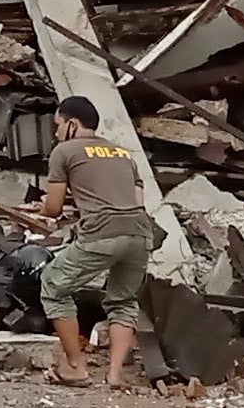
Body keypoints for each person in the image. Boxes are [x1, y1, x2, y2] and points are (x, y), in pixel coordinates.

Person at [37, 95, 156, 390]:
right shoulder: (123, 154)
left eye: (58, 125)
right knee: (123, 301)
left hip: (103, 233)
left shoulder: (64, 151)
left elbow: (53, 209)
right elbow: (137, 203)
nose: (56, 133)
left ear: (72, 125)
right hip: (140, 234)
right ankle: (115, 375)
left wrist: (43, 205)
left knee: (53, 285)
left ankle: (77, 367)